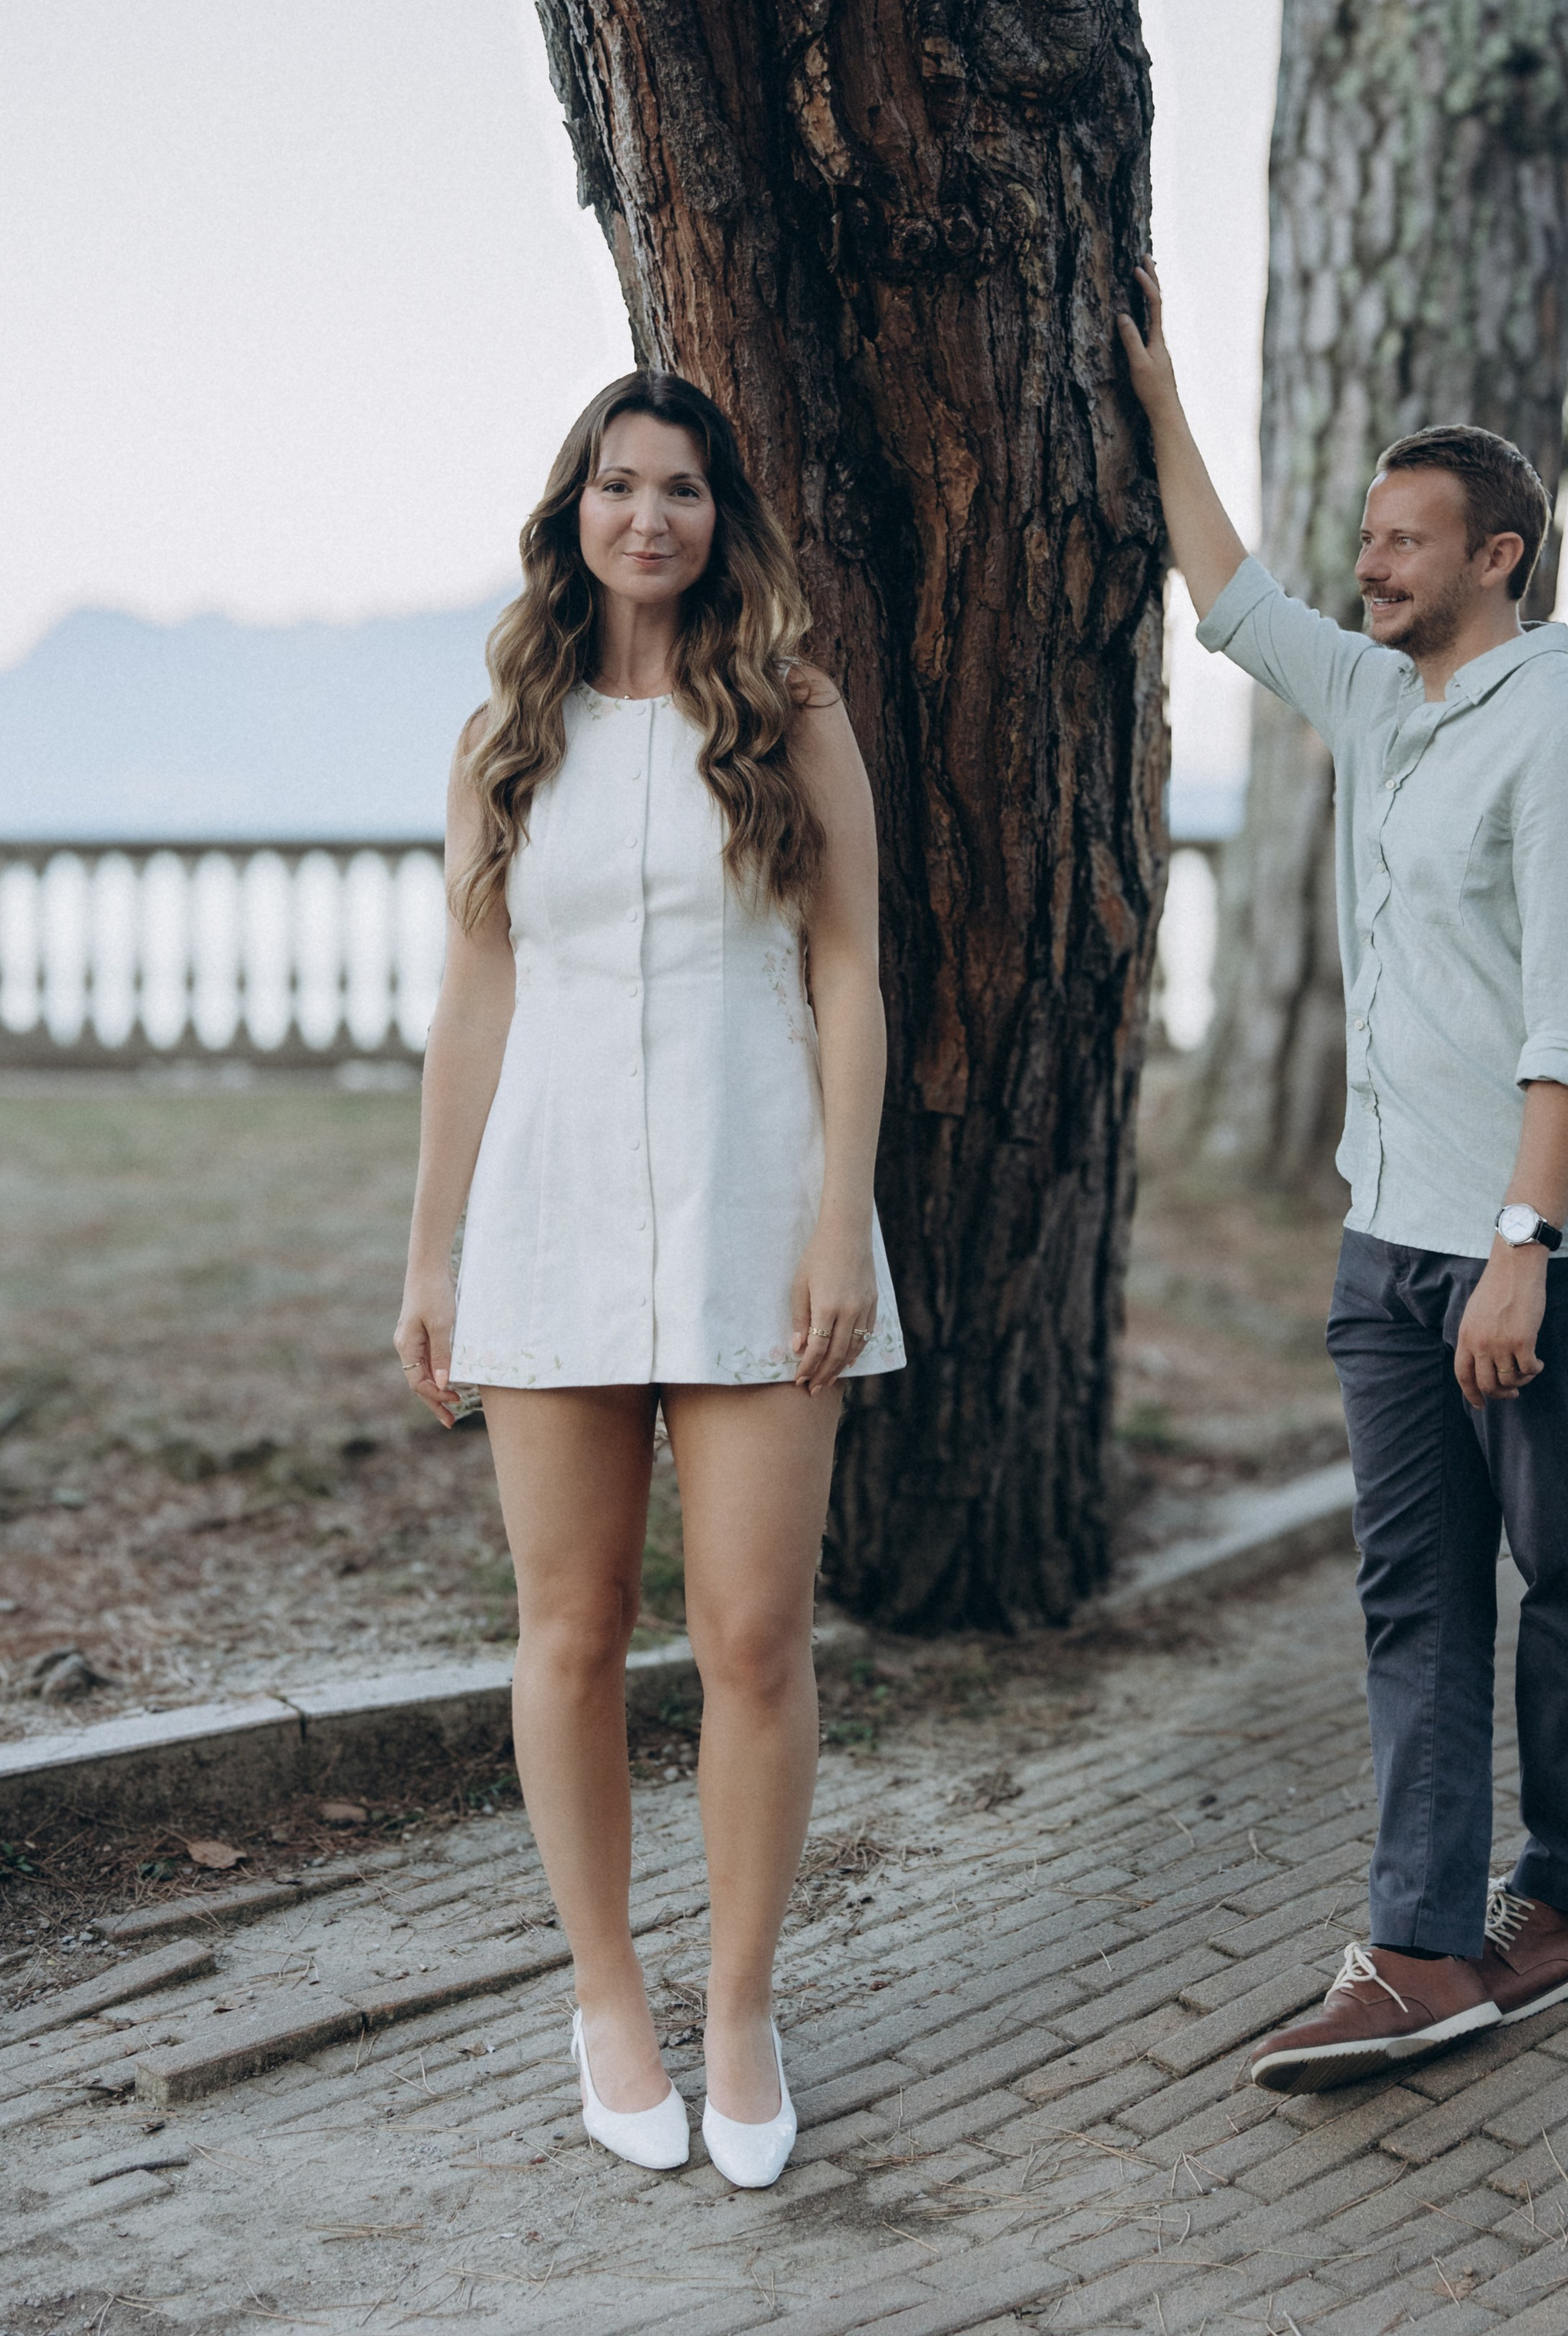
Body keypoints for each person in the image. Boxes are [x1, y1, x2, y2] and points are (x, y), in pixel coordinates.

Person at [1119, 267, 1568, 2094]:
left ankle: (1565, 1901)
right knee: (1413, 1597)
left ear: (1497, 558)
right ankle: (1422, 1945)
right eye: (1368, 534)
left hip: (1539, 1252)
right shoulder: (1381, 703)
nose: (1373, 564)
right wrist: (1157, 390)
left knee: (1567, 1574)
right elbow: (1230, 599)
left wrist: (1522, 1243)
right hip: (1388, 1246)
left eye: (1408, 540)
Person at [393, 370, 905, 2187]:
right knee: (573, 1630)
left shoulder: (789, 711)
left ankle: (742, 2004)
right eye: (618, 486)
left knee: (756, 1638)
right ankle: (606, 1995)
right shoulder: (501, 735)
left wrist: (838, 1217)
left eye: (681, 489)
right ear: (574, 512)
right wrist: (432, 1247)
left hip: (757, 1194)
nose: (648, 518)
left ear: (719, 518)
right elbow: (472, 1004)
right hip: (547, 1208)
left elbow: (848, 980)